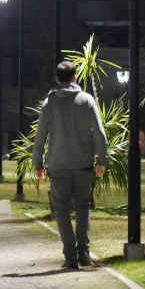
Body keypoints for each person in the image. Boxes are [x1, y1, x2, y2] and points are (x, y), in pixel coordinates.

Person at [33, 60, 108, 270]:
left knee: (61, 209)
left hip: (58, 164)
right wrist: (102, 159)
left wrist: (38, 163)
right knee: (83, 207)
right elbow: (99, 133)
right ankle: (84, 251)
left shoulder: (50, 103)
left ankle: (70, 256)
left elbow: (40, 137)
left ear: (57, 79)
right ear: (75, 78)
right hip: (83, 162)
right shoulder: (86, 100)